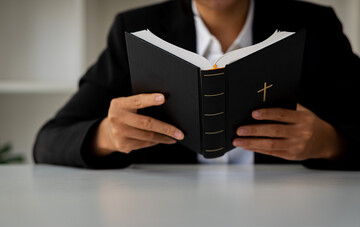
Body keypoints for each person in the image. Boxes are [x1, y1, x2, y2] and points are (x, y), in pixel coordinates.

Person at [33, 0, 360, 170]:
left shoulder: (315, 27)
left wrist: (331, 143)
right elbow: (48, 140)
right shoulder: (135, 29)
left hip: (290, 213)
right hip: (169, 216)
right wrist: (107, 135)